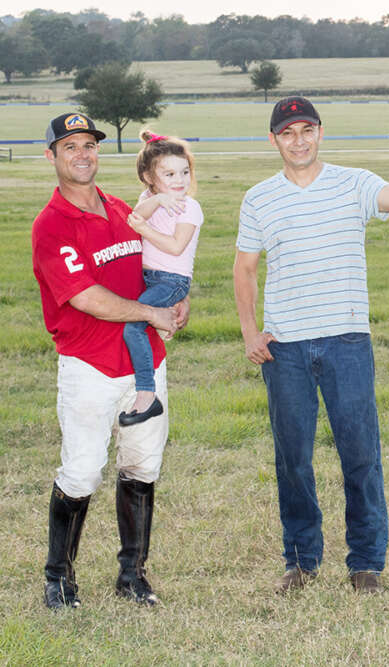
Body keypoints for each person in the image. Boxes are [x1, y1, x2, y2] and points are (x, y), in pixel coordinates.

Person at [234, 96, 389, 594]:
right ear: (274, 140)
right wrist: (249, 331)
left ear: (321, 133)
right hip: (285, 349)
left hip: (347, 340)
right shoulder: (258, 198)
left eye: (306, 130)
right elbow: (245, 268)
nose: (298, 140)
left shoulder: (354, 183)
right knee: (293, 459)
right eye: (288, 133)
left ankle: (366, 563)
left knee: (360, 454)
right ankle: (302, 561)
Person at [31, 112, 188, 609]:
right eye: (70, 146)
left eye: (89, 145)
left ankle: (132, 576)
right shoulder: (52, 224)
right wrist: (152, 311)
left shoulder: (122, 209)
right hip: (89, 363)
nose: (82, 154)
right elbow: (86, 296)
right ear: (52, 156)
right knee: (81, 471)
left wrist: (177, 300)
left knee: (142, 467)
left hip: (145, 362)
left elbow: (161, 263)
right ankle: (59, 578)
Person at [120, 128, 204, 426]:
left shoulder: (189, 207)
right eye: (169, 175)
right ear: (148, 177)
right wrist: (156, 201)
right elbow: (136, 212)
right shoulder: (150, 197)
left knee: (133, 327)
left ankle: (146, 395)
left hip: (171, 280)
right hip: (151, 278)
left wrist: (144, 229)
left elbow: (175, 246)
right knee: (138, 323)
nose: (179, 181)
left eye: (184, 172)